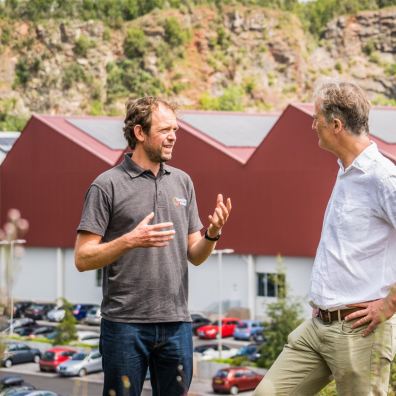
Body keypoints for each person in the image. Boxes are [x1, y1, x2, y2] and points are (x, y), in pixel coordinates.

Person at [74, 96, 232, 396]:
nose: (173, 137)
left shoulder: (183, 182)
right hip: (124, 326)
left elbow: (194, 255)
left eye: (176, 129)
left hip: (177, 325)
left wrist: (212, 233)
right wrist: (129, 240)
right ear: (139, 133)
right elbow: (83, 258)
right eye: (165, 130)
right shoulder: (106, 185)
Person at [254, 80, 396, 396]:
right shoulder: (345, 171)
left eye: (316, 117)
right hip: (319, 327)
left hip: (360, 332)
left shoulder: (382, 177)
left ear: (336, 125)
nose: (312, 124)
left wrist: (390, 304)